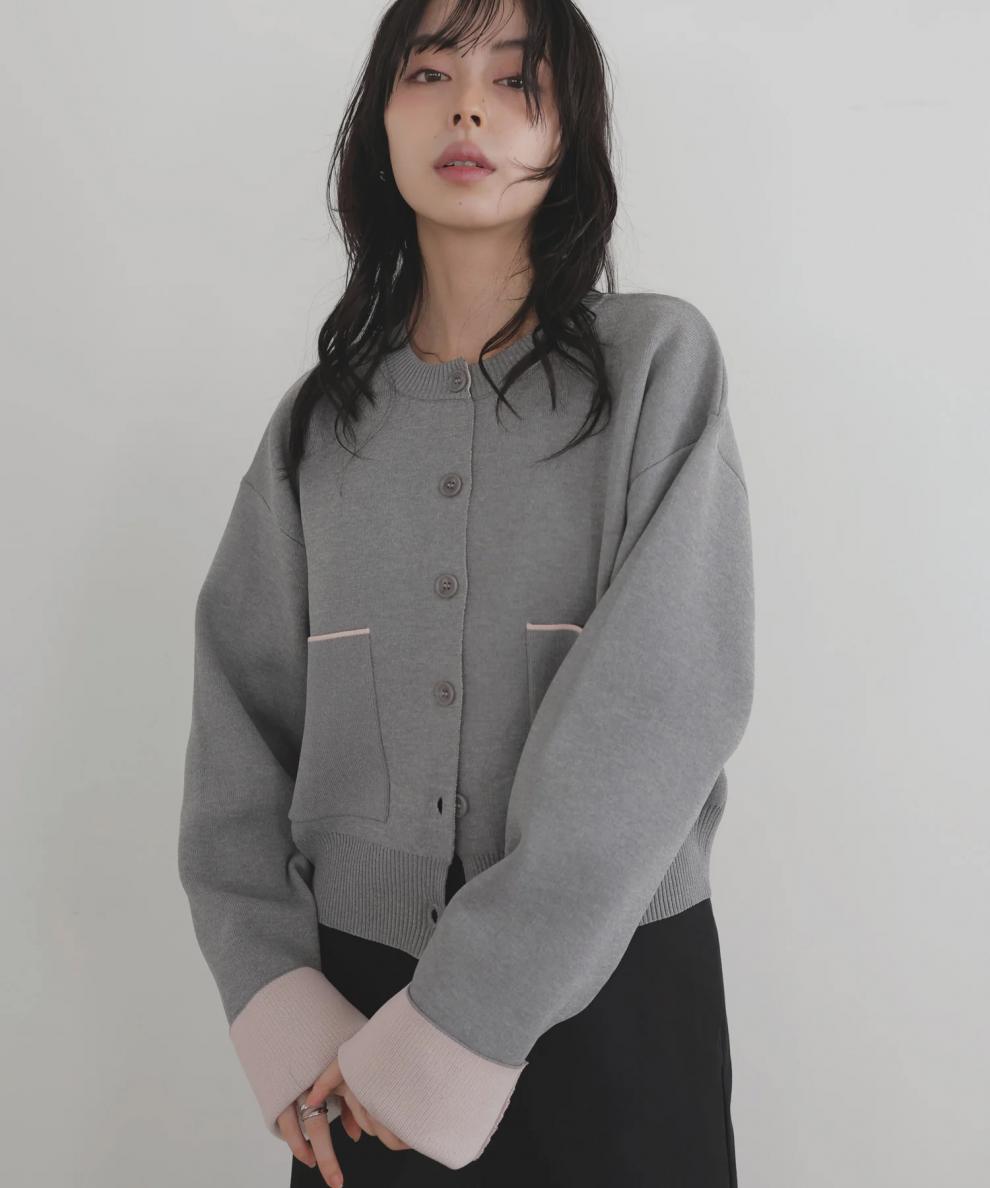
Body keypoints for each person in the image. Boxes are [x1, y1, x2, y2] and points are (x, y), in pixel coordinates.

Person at [177, 1, 755, 1185]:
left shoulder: (658, 366)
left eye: (517, 81)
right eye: (431, 72)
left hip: (618, 1001)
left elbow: (663, 707)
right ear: (380, 122)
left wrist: (462, 1021)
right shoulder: (316, 429)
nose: (471, 109)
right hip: (353, 1027)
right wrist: (278, 1001)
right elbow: (236, 737)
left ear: (570, 130)